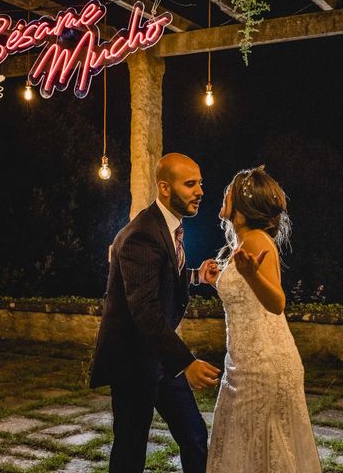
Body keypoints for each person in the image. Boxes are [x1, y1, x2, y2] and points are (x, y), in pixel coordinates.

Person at [89, 153, 221, 473]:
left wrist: (195, 276)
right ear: (164, 187)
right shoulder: (143, 233)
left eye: (200, 183)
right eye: (190, 184)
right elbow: (144, 309)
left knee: (193, 434)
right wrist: (186, 362)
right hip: (133, 362)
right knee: (131, 448)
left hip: (160, 358)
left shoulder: (168, 226)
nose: (200, 191)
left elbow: (158, 276)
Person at [205, 166, 322, 473]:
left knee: (254, 454)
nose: (224, 193)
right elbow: (245, 293)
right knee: (250, 452)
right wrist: (216, 280)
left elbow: (276, 302)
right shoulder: (244, 244)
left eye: (229, 190)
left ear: (243, 206)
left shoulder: (256, 240)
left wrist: (251, 276)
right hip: (245, 365)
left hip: (261, 367)